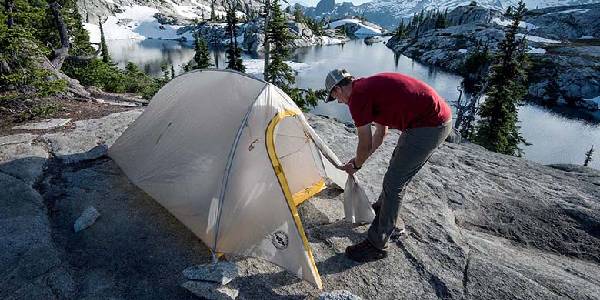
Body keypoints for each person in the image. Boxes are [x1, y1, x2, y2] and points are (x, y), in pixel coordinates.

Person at [324, 69, 452, 262]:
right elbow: (380, 134)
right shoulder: (365, 88)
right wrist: (358, 162)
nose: (339, 102)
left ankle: (377, 243)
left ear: (338, 89)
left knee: (394, 183)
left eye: (335, 97)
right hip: (430, 121)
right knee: (396, 170)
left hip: (428, 125)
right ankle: (384, 210)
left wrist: (356, 165)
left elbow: (365, 143)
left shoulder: (358, 98)